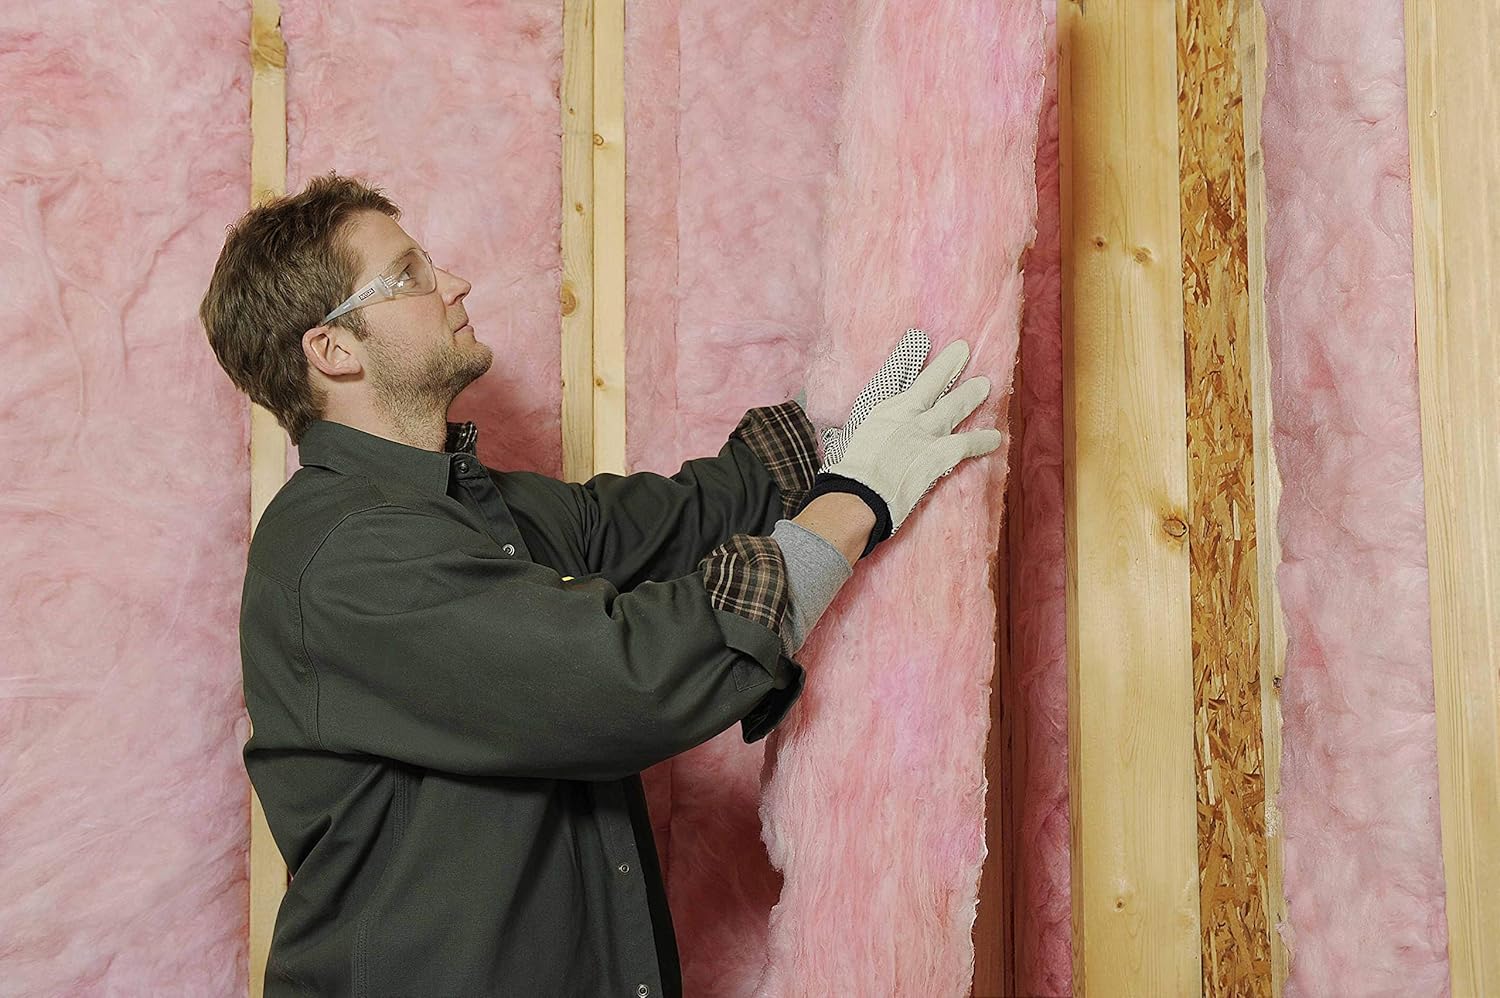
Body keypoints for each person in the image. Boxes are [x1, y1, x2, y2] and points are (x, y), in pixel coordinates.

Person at [198, 172, 1001, 997]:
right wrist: (856, 499)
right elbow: (624, 677)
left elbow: (693, 514)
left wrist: (846, 418)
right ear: (333, 350)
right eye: (408, 274)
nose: (454, 283)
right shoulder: (346, 557)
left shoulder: (488, 510)